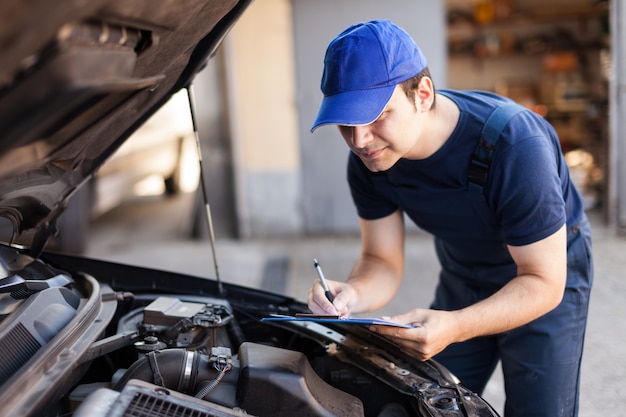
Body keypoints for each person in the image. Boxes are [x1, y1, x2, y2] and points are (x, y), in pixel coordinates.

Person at [307, 19, 593, 417]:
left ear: (422, 95)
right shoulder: (369, 160)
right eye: (346, 122)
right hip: (466, 273)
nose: (359, 139)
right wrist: (352, 293)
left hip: (543, 280)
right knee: (428, 403)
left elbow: (544, 282)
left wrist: (455, 326)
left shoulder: (514, 145)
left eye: (376, 116)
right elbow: (381, 262)